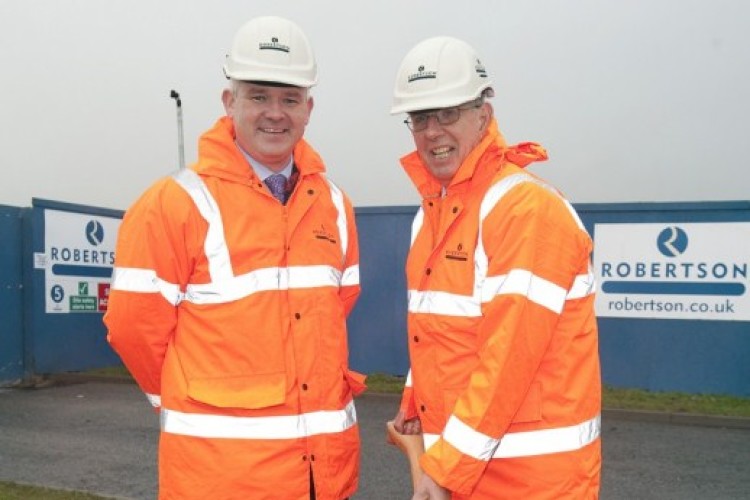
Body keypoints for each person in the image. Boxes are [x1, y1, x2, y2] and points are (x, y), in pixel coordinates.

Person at [104, 16, 364, 500]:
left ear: (309, 109)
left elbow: (334, 311)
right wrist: (183, 397)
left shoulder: (333, 204)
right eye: (259, 96)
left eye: (289, 99)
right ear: (230, 102)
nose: (275, 113)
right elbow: (132, 327)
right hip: (220, 479)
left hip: (322, 477)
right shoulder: (174, 203)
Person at [389, 36, 602, 499]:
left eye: (448, 113)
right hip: (466, 473)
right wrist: (415, 400)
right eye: (420, 118)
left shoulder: (525, 209)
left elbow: (509, 357)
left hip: (532, 483)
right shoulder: (431, 215)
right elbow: (437, 333)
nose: (432, 131)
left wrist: (444, 471)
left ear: (483, 115)